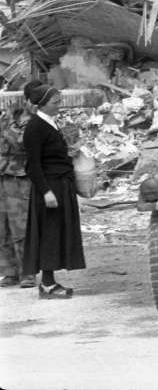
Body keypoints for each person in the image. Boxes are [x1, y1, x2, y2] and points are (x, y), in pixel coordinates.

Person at [22, 84, 85, 299]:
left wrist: (68, 153)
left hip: (59, 184)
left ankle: (50, 281)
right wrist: (46, 192)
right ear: (43, 104)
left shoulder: (49, 123)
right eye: (55, 102)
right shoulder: (35, 127)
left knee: (56, 232)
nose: (58, 105)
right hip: (50, 187)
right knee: (49, 233)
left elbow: (50, 154)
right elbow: (33, 165)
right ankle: (47, 285)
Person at [0, 104, 34, 289]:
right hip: (2, 175)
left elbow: (22, 143)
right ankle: (9, 271)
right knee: (2, 228)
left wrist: (10, 124)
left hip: (17, 176)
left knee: (20, 226)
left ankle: (27, 271)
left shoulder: (24, 116)